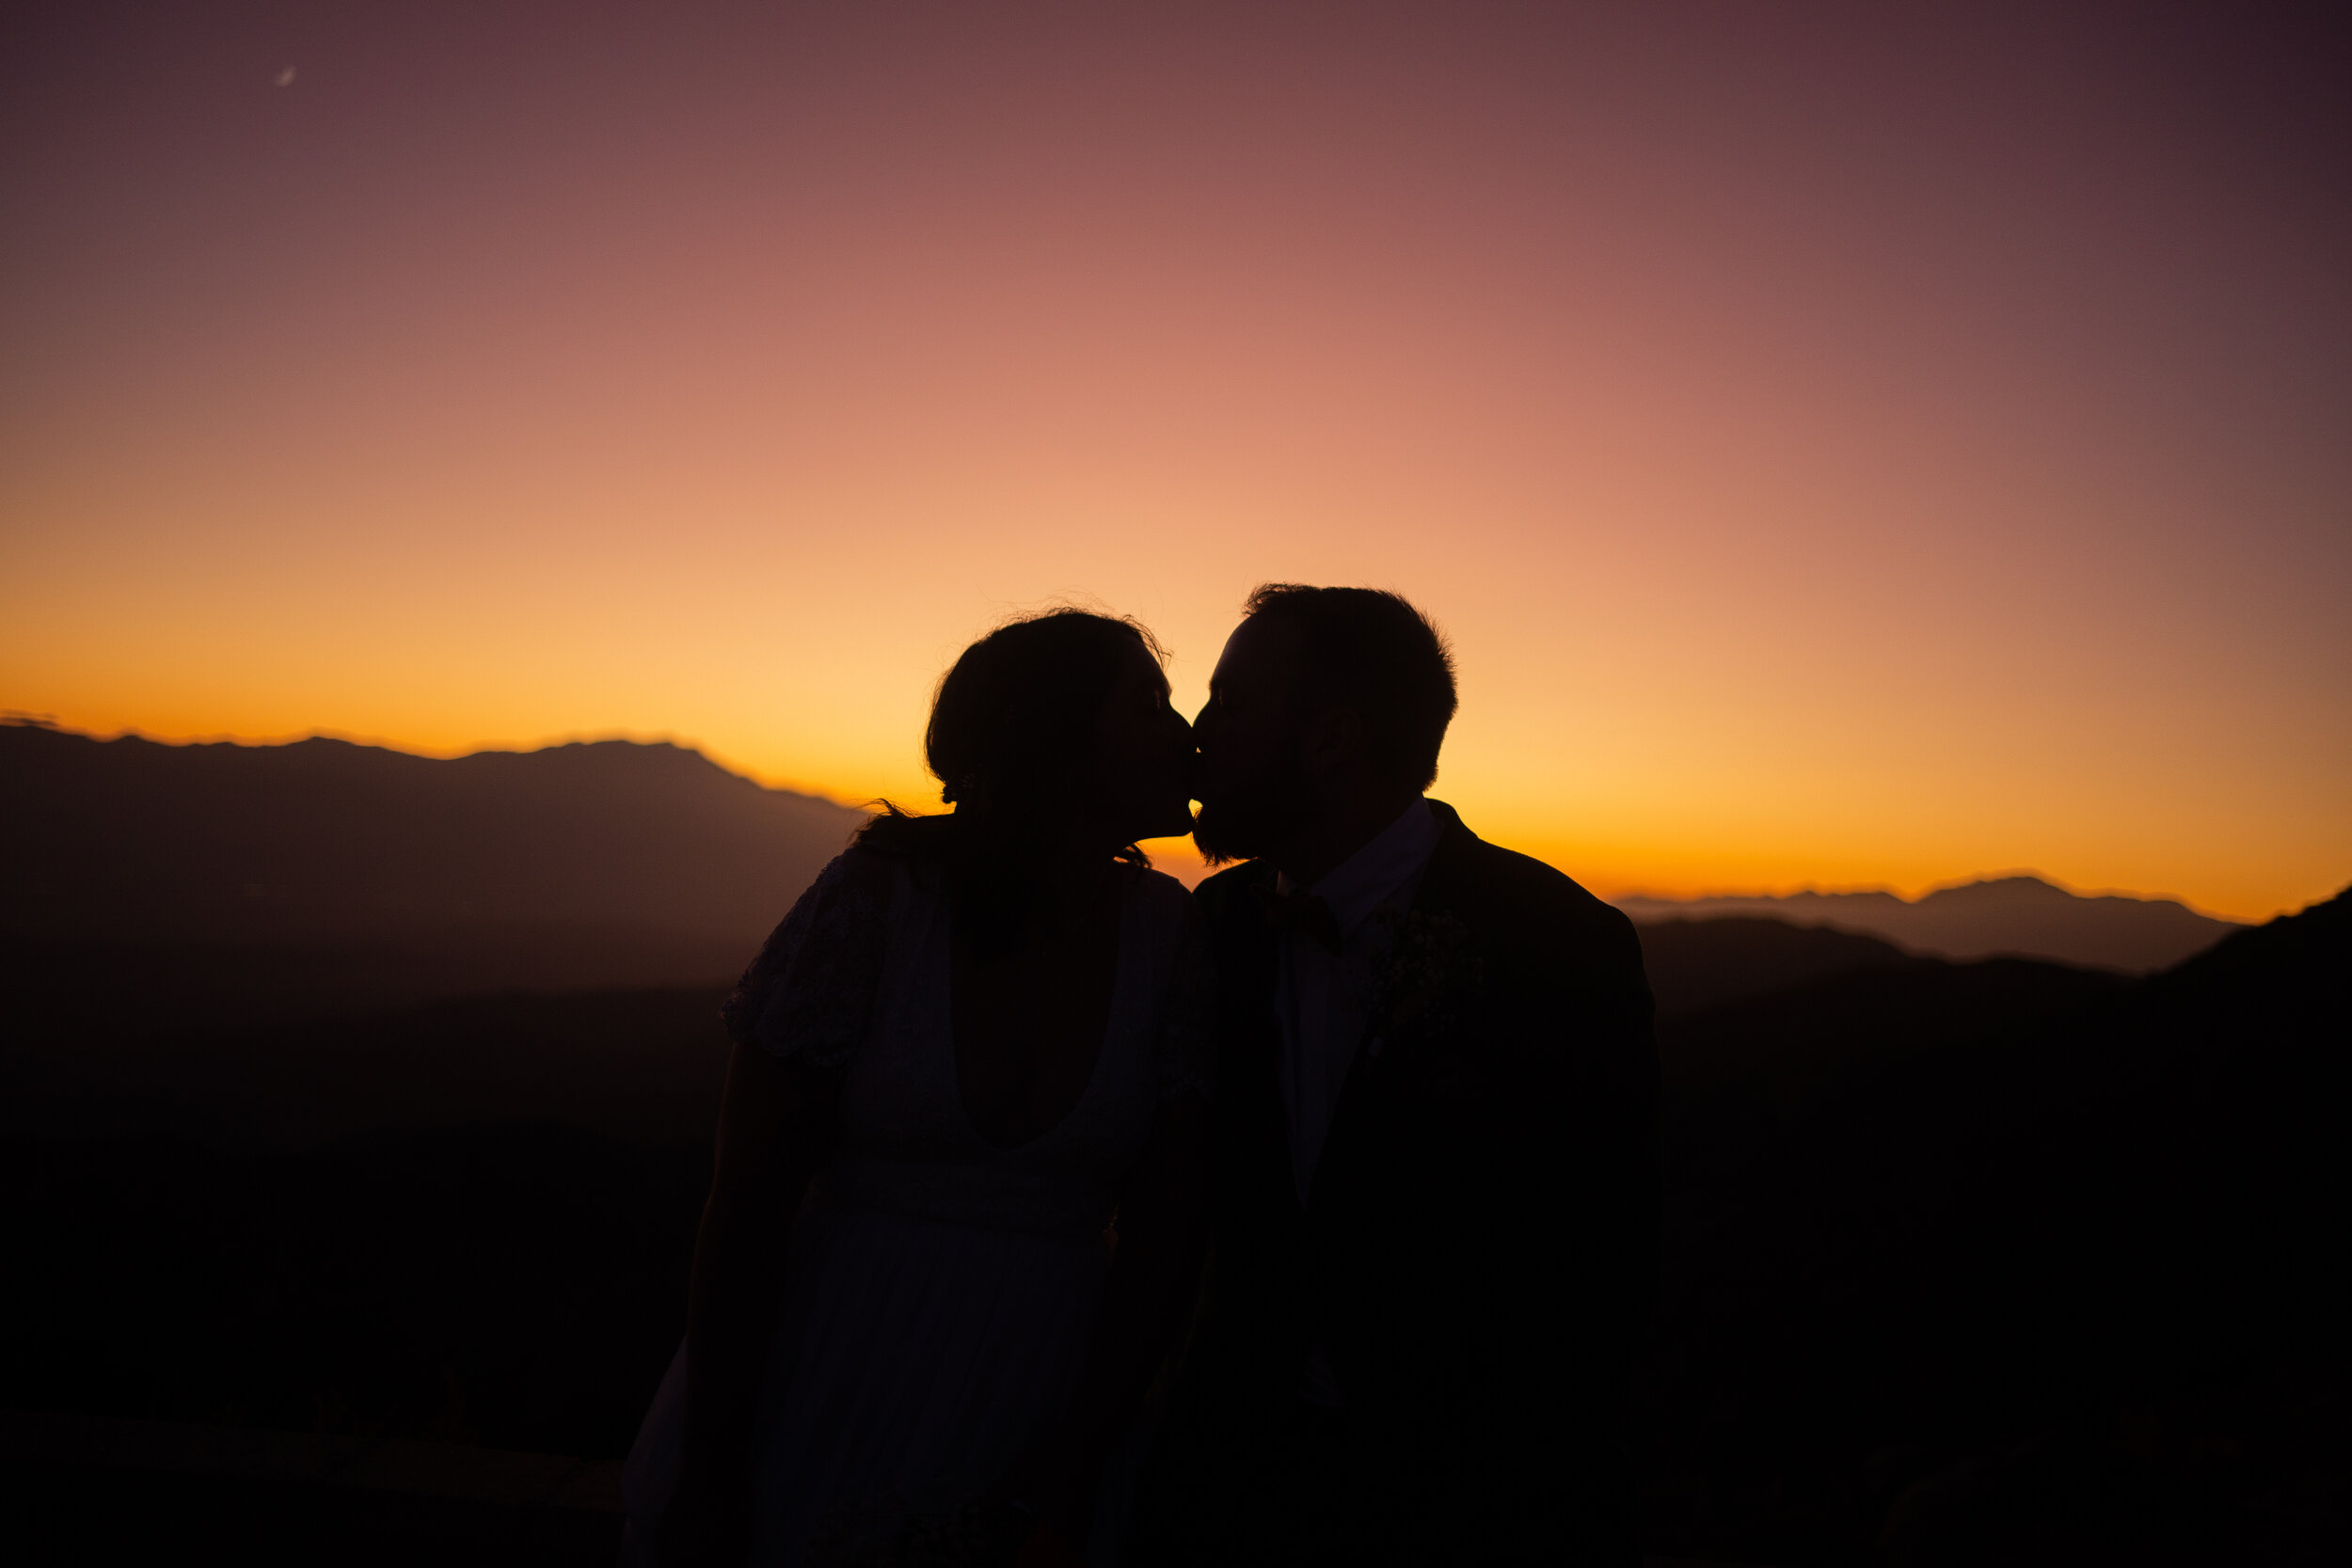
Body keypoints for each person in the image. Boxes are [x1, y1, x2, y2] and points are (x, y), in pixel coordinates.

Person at [623, 609, 1214, 1567]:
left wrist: (1074, 1466)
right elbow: (746, 1203)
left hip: (1037, 1394)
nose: (1187, 736)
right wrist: (715, 1464)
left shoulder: (1172, 937)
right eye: (1149, 706)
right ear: (1052, 738)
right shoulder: (877, 901)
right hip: (828, 1368)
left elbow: (1168, 1238)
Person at [1128, 585, 1659, 1566]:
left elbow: (1604, 1258)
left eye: (1229, 704)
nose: (1199, 736)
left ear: (1330, 739)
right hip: (1232, 1481)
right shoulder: (1215, 926)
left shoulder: (1560, 944)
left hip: (1463, 1497)